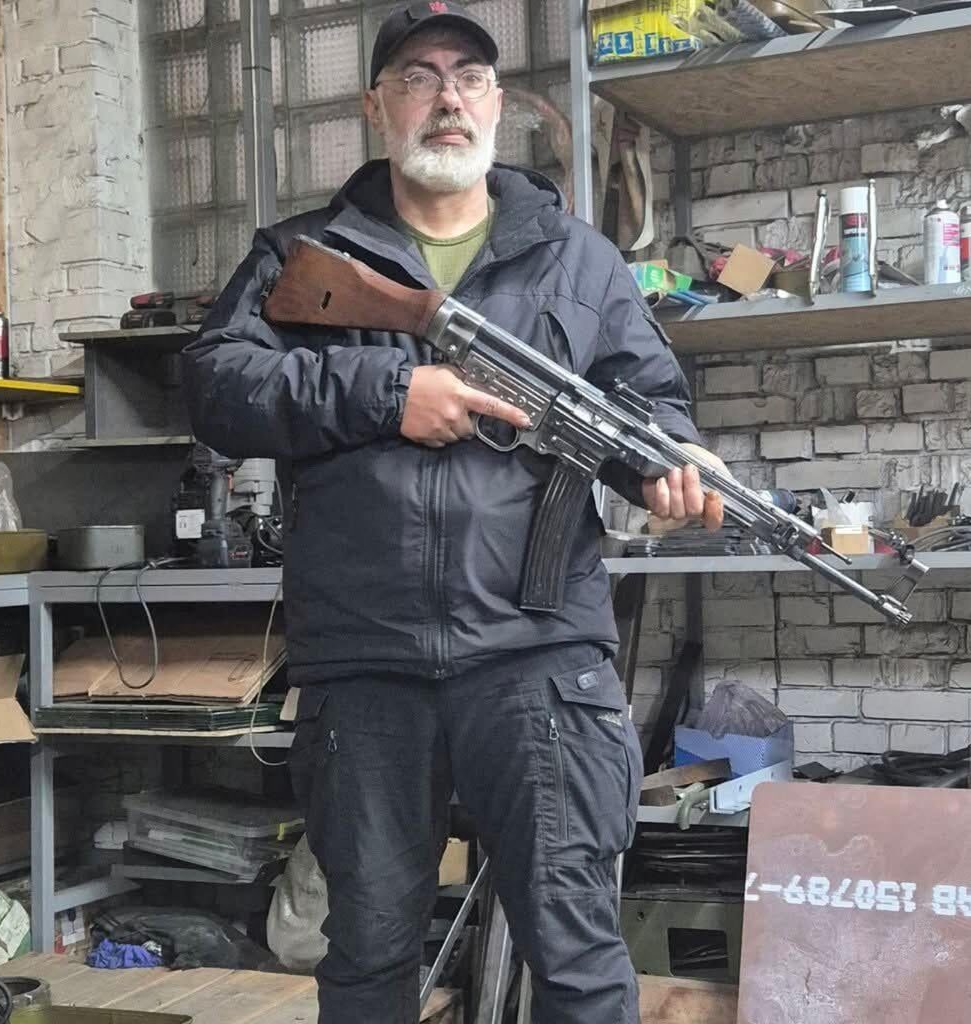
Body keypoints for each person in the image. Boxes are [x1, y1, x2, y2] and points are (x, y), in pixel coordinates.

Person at [183, 3, 727, 1020]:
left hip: (536, 660)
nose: (446, 96)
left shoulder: (578, 260)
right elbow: (216, 384)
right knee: (369, 956)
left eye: (469, 76)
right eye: (420, 75)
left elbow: (652, 403)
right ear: (376, 103)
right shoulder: (307, 253)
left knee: (575, 954)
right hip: (366, 664)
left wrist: (672, 462)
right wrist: (388, 395)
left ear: (496, 102)